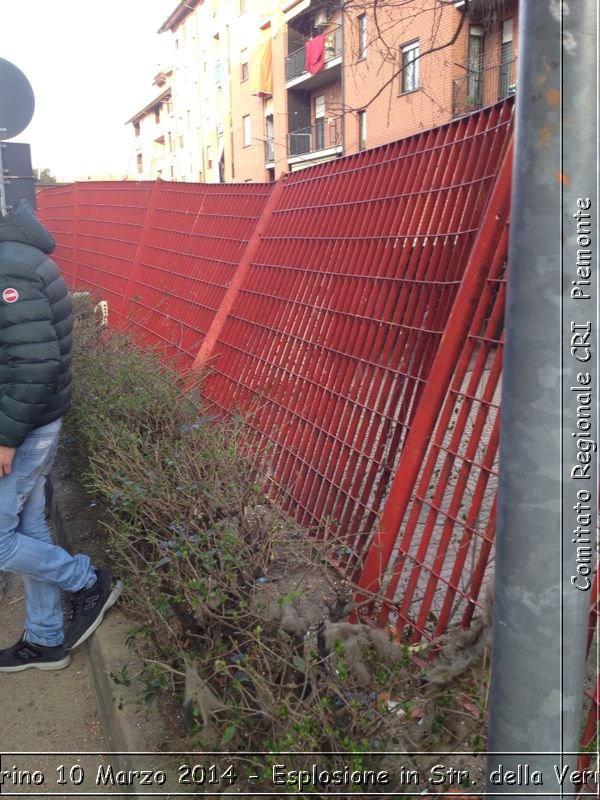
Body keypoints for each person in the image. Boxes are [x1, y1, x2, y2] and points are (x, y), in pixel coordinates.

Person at [0, 198, 121, 672]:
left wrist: (6, 438)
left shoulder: (8, 268)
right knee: (28, 528)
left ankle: (88, 581)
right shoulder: (15, 254)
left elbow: (37, 362)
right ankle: (46, 637)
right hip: (29, 421)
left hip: (23, 428)